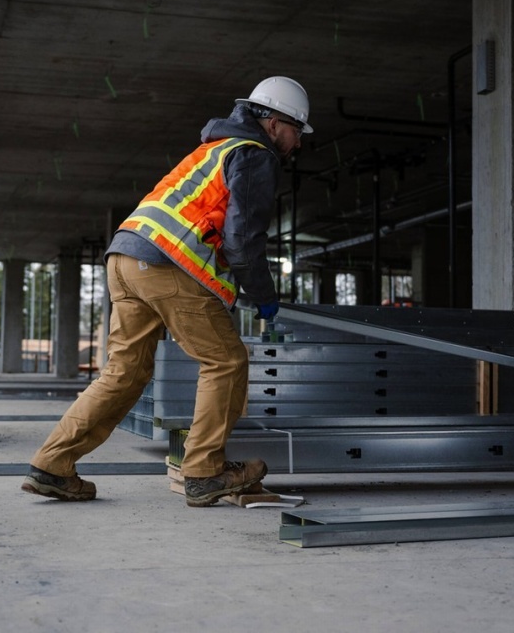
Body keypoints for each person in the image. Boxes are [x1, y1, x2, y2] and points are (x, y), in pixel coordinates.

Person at [21, 76, 312, 507]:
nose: (297, 144)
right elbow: (243, 238)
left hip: (125, 257)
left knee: (124, 374)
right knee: (226, 360)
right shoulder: (254, 155)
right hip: (165, 264)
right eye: (296, 131)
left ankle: (53, 464)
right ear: (273, 123)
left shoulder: (213, 149)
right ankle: (204, 472)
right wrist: (263, 292)